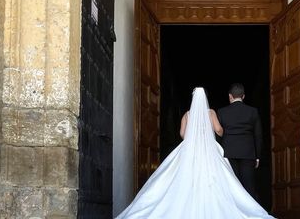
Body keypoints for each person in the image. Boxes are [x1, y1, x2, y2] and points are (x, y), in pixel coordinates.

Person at [115, 87, 275, 219]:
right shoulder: (211, 113)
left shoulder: (187, 114)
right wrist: (216, 132)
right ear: (205, 98)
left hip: (189, 150)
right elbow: (219, 130)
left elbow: (183, 135)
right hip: (209, 149)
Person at [216, 83, 263, 199]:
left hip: (228, 153)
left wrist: (219, 153)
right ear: (243, 96)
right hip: (248, 153)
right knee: (249, 188)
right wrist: (258, 156)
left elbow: (218, 135)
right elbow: (258, 135)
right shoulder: (253, 111)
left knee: (231, 188)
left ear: (230, 96)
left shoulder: (222, 112)